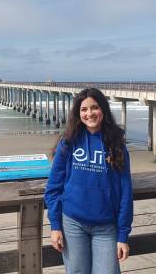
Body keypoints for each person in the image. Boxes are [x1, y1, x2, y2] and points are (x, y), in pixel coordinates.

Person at [44, 88, 133, 274]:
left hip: (106, 226)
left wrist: (123, 234)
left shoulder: (116, 145)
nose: (89, 113)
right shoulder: (68, 142)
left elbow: (125, 191)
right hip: (72, 223)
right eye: (84, 109)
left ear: (103, 110)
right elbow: (53, 187)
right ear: (78, 113)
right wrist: (55, 225)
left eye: (94, 107)